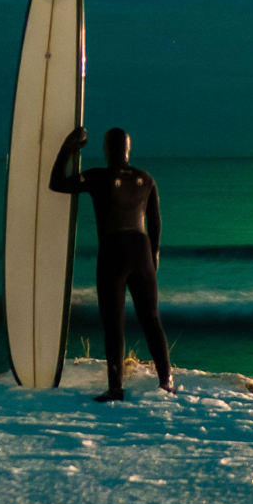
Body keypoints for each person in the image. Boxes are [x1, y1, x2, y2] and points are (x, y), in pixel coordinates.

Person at [48, 125, 174, 400]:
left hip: (113, 253)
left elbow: (56, 183)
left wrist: (68, 148)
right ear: (129, 149)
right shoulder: (146, 178)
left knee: (113, 324)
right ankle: (166, 381)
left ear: (106, 149)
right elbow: (155, 222)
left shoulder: (97, 177)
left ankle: (116, 387)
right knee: (151, 319)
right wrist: (153, 257)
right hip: (142, 253)